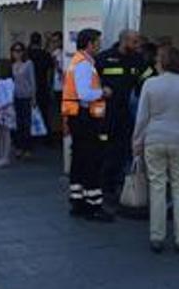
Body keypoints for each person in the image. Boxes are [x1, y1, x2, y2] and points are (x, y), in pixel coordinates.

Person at [133, 46, 179, 253]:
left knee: (157, 188)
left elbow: (142, 117)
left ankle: (157, 237)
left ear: (161, 62)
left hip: (154, 139)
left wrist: (136, 141)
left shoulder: (150, 84)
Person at [62, 28, 114, 222]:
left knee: (79, 160)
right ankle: (94, 205)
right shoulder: (84, 65)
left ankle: (78, 201)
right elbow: (85, 94)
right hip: (85, 118)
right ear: (90, 44)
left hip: (77, 117)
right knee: (92, 161)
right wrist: (103, 92)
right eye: (97, 42)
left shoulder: (78, 62)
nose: (99, 46)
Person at [96, 29, 150, 202]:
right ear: (124, 41)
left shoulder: (137, 59)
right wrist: (100, 89)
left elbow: (148, 80)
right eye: (134, 42)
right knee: (106, 150)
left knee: (122, 149)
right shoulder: (104, 58)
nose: (138, 45)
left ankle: (117, 184)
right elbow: (90, 80)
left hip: (125, 113)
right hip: (105, 113)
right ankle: (103, 186)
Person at [10, 42, 36, 159]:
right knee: (18, 123)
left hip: (26, 96)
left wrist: (33, 97)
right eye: (15, 50)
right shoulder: (12, 65)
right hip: (16, 96)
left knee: (26, 123)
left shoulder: (28, 64)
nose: (17, 53)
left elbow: (32, 81)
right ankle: (19, 147)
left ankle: (27, 148)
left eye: (20, 50)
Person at [27, 32, 54, 134]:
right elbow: (50, 71)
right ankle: (47, 137)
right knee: (44, 113)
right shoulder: (45, 54)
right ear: (40, 41)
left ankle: (30, 137)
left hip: (28, 87)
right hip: (42, 85)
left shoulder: (27, 54)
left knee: (28, 114)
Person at [0, 60, 16, 167]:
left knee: (6, 134)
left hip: (5, 109)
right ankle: (1, 156)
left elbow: (10, 99)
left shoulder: (9, 82)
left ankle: (5, 157)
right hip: (0, 109)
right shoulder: (1, 81)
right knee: (1, 134)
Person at [49, 32, 65, 135]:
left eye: (56, 41)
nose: (55, 43)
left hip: (65, 86)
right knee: (57, 112)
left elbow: (62, 71)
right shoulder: (54, 53)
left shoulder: (64, 53)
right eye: (53, 41)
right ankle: (58, 133)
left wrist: (56, 64)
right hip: (56, 86)